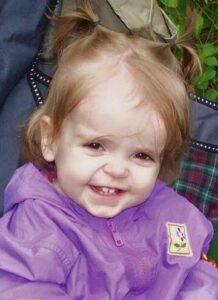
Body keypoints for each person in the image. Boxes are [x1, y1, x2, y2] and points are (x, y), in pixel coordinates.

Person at [0, 2, 217, 299]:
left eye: (142, 155)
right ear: (50, 139)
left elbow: (194, 274)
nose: (117, 169)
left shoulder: (166, 213)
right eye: (96, 145)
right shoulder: (37, 231)